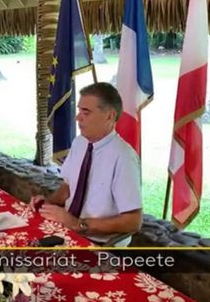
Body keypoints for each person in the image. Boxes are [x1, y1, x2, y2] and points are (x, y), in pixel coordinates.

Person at [30, 82, 142, 246]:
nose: (77, 118)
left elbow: (133, 221)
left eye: (86, 112)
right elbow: (69, 186)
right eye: (79, 111)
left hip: (100, 243)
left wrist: (78, 224)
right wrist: (49, 202)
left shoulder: (124, 157)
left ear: (110, 116)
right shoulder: (80, 143)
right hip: (68, 231)